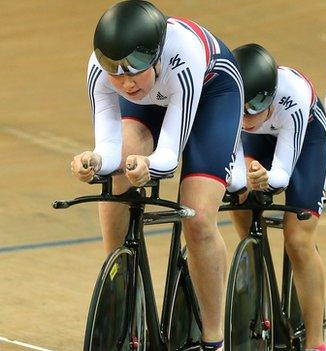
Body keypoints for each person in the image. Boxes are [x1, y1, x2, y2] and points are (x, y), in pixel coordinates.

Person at [69, 1, 244, 350]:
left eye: (133, 68)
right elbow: (108, 146)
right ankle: (119, 284)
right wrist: (91, 161)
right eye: (115, 71)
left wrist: (148, 165)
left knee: (196, 215)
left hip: (213, 94)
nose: (124, 80)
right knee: (120, 170)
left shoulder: (184, 55)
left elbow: (167, 156)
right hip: (155, 95)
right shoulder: (105, 70)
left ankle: (214, 338)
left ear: (157, 53)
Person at [229, 43, 326, 351]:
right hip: (257, 142)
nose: (247, 116)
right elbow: (230, 164)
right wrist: (243, 180)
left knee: (298, 240)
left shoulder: (293, 95)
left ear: (271, 97)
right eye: (242, 110)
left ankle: (316, 341)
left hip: (304, 140)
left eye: (256, 107)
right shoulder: (230, 101)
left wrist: (267, 178)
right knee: (240, 195)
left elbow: (282, 175)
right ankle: (255, 262)